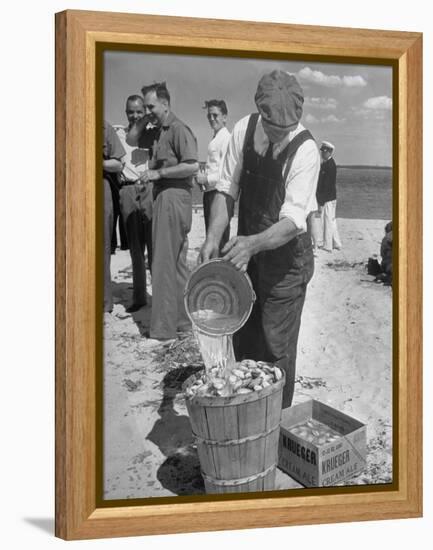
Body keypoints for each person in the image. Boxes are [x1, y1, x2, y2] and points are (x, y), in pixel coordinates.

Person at [199, 70, 320, 408]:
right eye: (274, 128)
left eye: (286, 130)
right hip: (248, 258)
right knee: (246, 337)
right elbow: (226, 190)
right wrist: (213, 237)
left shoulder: (306, 150)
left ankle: (275, 424)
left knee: (276, 347)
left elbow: (293, 222)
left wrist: (251, 244)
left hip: (286, 265)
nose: (280, 136)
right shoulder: (244, 129)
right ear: (262, 115)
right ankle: (248, 416)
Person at [128, 82, 199, 347]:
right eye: (145, 107)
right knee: (177, 265)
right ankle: (182, 323)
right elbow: (131, 140)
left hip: (173, 197)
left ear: (166, 104)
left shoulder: (178, 130)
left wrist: (159, 173)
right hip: (165, 198)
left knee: (162, 263)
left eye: (151, 106)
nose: (147, 111)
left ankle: (163, 329)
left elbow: (192, 165)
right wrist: (146, 117)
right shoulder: (155, 131)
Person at [115, 95, 159, 313]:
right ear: (126, 113)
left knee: (154, 248)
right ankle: (139, 297)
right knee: (135, 248)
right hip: (128, 191)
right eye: (131, 112)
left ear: (145, 112)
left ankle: (159, 297)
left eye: (139, 111)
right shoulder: (119, 134)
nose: (135, 116)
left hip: (149, 189)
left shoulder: (153, 134)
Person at [196, 99, 232, 251]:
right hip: (210, 192)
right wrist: (202, 181)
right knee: (211, 238)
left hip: (219, 194)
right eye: (209, 116)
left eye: (215, 115)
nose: (212, 119)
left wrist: (205, 178)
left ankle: (220, 272)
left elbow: (226, 172)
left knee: (219, 239)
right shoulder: (216, 138)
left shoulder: (226, 139)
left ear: (224, 117)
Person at [103, 121, 125, 313]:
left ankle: (104, 303)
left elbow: (118, 163)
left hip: (101, 187)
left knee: (102, 248)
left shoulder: (105, 128)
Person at [315, 141, 342, 252]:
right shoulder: (326, 164)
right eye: (321, 151)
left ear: (329, 152)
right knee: (331, 220)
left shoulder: (330, 165)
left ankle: (328, 245)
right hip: (330, 197)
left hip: (328, 198)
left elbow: (327, 185)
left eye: (324, 151)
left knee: (327, 220)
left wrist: (321, 201)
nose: (322, 153)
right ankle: (336, 243)